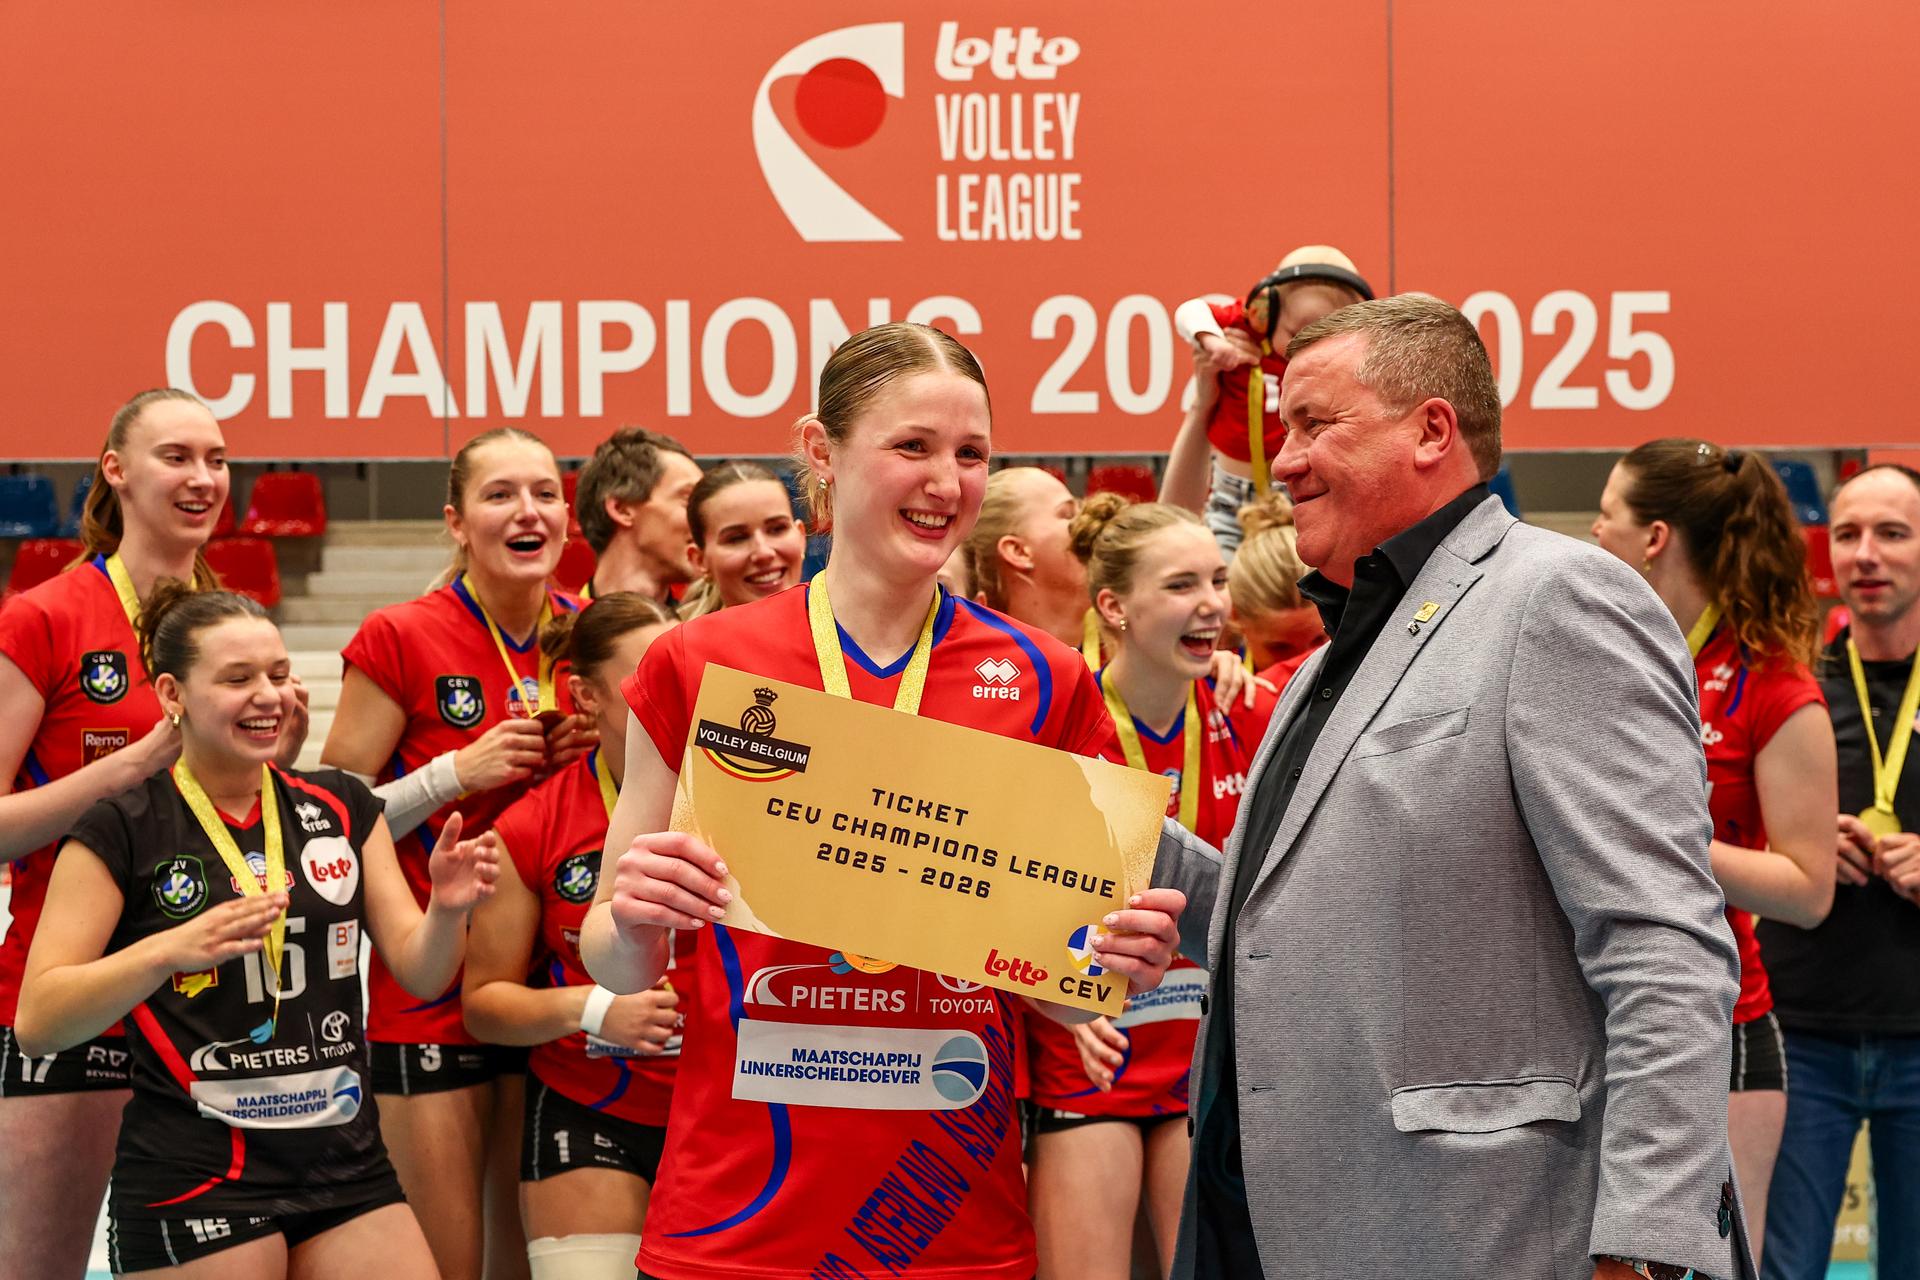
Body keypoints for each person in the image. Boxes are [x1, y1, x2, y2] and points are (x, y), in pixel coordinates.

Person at [1148, 295, 1754, 1279]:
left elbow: (1664, 944)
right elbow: (1307, 918)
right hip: (1294, 1221)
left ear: (1431, 429)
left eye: (1314, 423)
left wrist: (1645, 1244)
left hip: (1491, 1232)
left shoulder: (1558, 595)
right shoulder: (1323, 660)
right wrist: (1151, 874)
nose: (1283, 459)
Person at [577, 321, 1187, 1280]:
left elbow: (1065, 984)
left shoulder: (1048, 678)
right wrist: (640, 917)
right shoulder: (699, 663)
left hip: (952, 1221)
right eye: (914, 447)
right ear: (821, 451)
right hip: (735, 1224)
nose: (947, 483)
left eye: (972, 454)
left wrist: (1117, 963)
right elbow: (610, 956)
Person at [14, 583, 498, 1277]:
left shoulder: (340, 806)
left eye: (277, 674)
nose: (267, 696)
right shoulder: (118, 826)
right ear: (172, 694)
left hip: (345, 1164)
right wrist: (165, 951)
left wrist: (448, 912)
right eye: (237, 679)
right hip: (196, 1173)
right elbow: (39, 1021)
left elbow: (422, 971)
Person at [0, 389, 300, 1278]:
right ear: (116, 471)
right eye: (177, 457)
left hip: (223, 1008)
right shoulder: (46, 616)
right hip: (76, 1000)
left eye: (216, 458)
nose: (203, 477)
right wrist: (124, 769)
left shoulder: (237, 627)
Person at [323, 426, 586, 1280]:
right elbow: (320, 817)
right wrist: (450, 775)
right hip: (425, 992)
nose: (527, 511)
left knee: (524, 1262)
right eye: (500, 494)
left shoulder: (587, 639)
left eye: (545, 493)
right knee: (445, 1264)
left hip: (541, 992)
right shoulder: (403, 634)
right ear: (456, 522)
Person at [1592, 438, 1837, 1262]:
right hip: (1598, 1012)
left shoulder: (1773, 684)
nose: (1594, 534)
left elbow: (1808, 888)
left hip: (1722, 1022)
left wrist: (1662, 835)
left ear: (1653, 537)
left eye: (1606, 515)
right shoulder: (1609, 655)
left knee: (1705, 1265)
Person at [1026, 495, 1276, 1280]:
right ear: (1114, 607)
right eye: (1179, 586)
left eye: (1217, 579)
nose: (1210, 604)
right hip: (1091, 1050)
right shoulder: (1061, 723)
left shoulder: (1256, 713)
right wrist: (1053, 1004)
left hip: (1204, 1057)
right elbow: (1006, 894)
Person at [464, 594, 690, 1280]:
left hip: (722, 1116)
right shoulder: (533, 824)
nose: (675, 697)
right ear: (585, 695)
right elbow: (484, 1005)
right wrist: (597, 1009)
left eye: (685, 676)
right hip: (591, 1109)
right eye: (649, 677)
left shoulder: (747, 801)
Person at [1759, 465, 1920, 1279]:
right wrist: (1801, 839)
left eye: (1893, 533)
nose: (1867, 554)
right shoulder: (1791, 686)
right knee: (1785, 1269)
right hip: (1804, 1032)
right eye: (1849, 533)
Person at [1163, 246, 1373, 556]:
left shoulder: (1362, 377)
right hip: (1232, 502)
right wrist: (1211, 340)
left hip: (1309, 503)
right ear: (1265, 314)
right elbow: (1190, 312)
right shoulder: (1246, 331)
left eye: (1325, 337)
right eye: (1296, 334)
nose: (1306, 349)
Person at [573, 428, 703, 602]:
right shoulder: (556, 626)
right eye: (689, 500)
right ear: (622, 510)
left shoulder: (708, 627)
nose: (706, 519)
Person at [675, 461, 806, 620]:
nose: (763, 553)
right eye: (736, 539)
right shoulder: (678, 643)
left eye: (777, 529)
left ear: (801, 536)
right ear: (700, 560)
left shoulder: (842, 629)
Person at [1223, 492, 1323, 685]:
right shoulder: (1208, 694)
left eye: (1318, 642)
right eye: (1280, 648)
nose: (1301, 667)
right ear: (1235, 616)